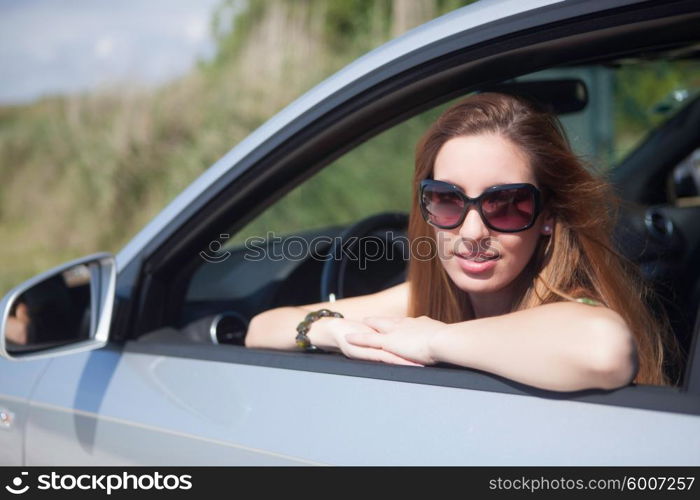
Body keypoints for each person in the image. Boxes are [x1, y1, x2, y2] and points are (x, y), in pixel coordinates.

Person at [245, 92, 680, 392]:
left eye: (506, 204)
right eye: (448, 201)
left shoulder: (569, 308)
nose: (472, 233)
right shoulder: (426, 296)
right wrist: (333, 332)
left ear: (548, 216)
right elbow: (261, 329)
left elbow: (605, 349)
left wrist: (434, 340)